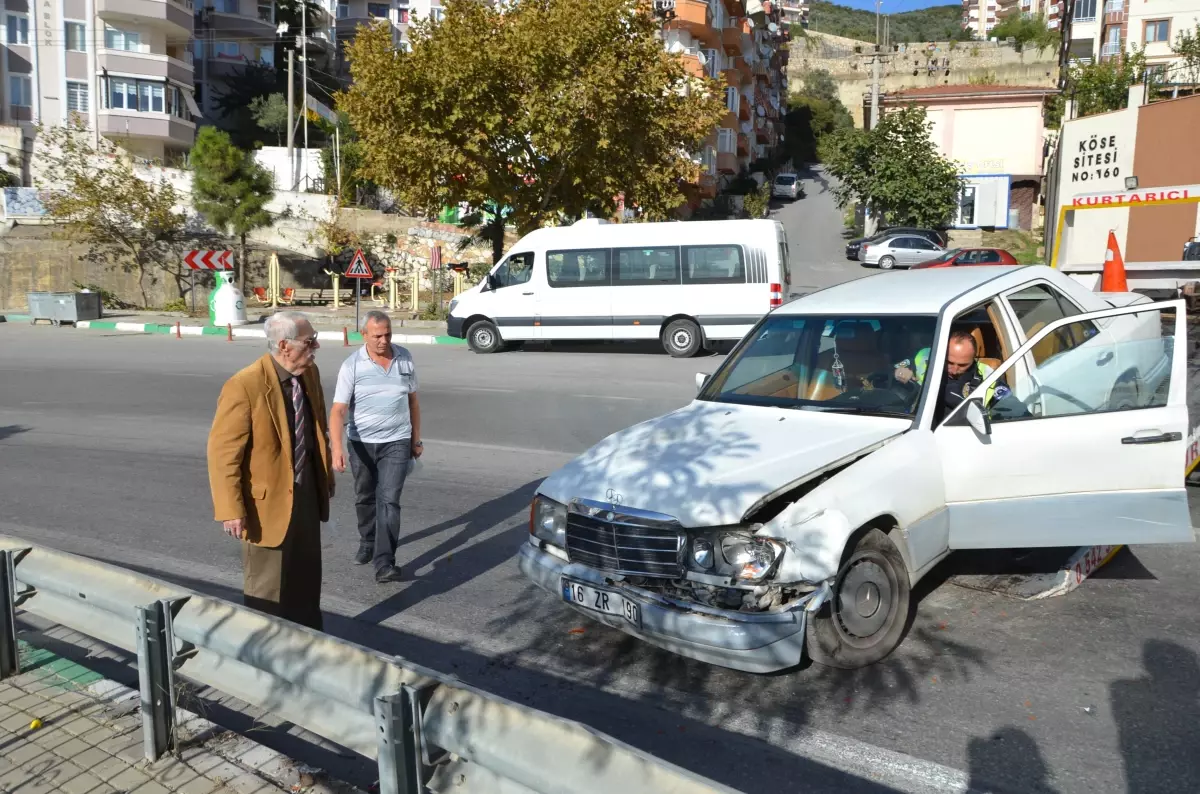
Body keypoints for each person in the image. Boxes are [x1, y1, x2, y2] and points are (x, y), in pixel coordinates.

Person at [207, 311, 333, 630]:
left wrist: (325, 475)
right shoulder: (244, 385)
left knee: (305, 583)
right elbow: (223, 453)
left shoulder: (310, 374)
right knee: (268, 591)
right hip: (265, 507)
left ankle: (306, 647)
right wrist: (231, 509)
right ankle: (266, 659)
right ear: (284, 345)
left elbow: (317, 427)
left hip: (305, 496)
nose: (316, 345)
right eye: (309, 341)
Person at [330, 310, 422, 584]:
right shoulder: (352, 366)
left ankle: (385, 563)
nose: (384, 341)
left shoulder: (404, 358)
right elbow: (338, 411)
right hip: (362, 443)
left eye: (388, 334)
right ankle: (367, 541)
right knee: (365, 497)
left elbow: (413, 402)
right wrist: (337, 448)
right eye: (377, 336)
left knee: (390, 501)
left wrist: (416, 439)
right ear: (364, 336)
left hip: (397, 441)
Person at [895, 329, 1003, 422]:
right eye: (949, 362)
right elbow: (893, 370)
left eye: (963, 365)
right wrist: (899, 373)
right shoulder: (924, 357)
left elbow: (1009, 406)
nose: (954, 370)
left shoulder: (987, 374)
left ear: (974, 357)